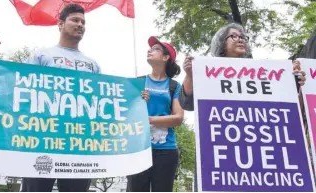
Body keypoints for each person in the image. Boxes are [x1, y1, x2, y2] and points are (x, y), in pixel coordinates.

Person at [0, 4, 100, 192]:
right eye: (75, 20)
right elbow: (20, 87)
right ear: (60, 24)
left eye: (83, 22)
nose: (80, 25)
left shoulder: (93, 65)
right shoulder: (42, 55)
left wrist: (135, 98)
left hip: (79, 144)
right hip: (42, 140)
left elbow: (101, 101)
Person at [179, 22, 306, 111]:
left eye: (243, 37)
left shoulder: (262, 72)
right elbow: (187, 104)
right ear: (222, 44)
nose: (240, 40)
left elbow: (286, 102)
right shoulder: (208, 72)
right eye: (233, 36)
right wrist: (190, 76)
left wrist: (294, 78)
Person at [126, 36, 184, 192]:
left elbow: (178, 118)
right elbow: (126, 114)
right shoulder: (137, 82)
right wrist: (138, 103)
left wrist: (148, 119)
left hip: (166, 151)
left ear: (165, 57)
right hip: (139, 148)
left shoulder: (174, 86)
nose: (149, 50)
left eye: (155, 49)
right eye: (150, 49)